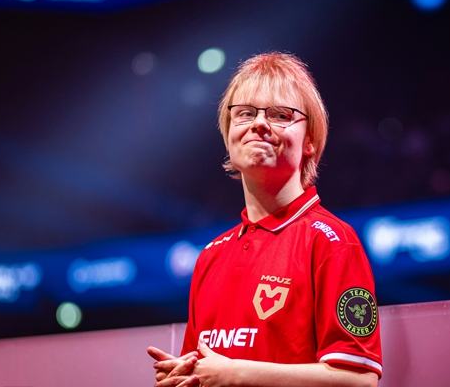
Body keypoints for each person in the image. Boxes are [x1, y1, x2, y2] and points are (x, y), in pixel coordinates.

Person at [147, 52, 382, 387]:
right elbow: (208, 374)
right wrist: (184, 378)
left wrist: (237, 375)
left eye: (280, 114)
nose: (259, 123)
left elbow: (358, 379)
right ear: (229, 134)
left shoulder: (332, 242)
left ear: (310, 141)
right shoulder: (210, 257)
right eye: (245, 113)